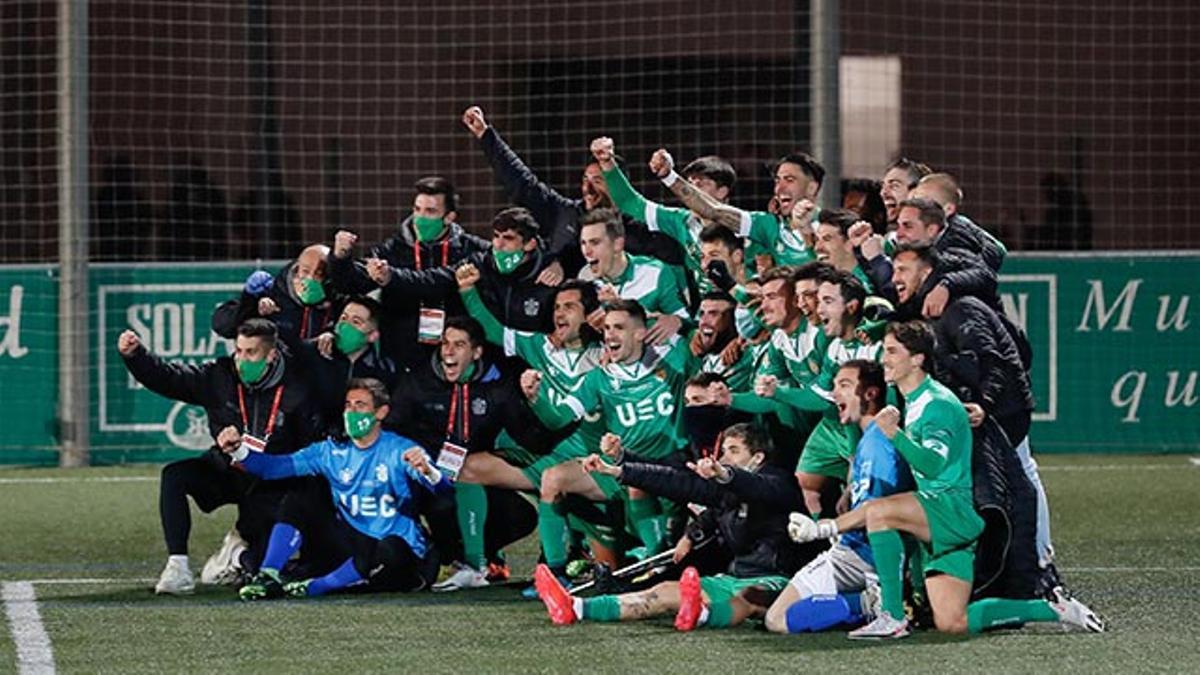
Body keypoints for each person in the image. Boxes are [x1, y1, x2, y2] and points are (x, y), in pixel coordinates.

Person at [533, 423, 813, 631]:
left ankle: (700, 615)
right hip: (734, 577)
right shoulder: (725, 491)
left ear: (758, 458)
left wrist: (726, 474)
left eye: (734, 451)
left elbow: (756, 487)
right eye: (723, 451)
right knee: (664, 591)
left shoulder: (780, 482)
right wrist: (618, 470)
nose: (724, 458)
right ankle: (575, 607)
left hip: (783, 582)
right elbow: (676, 481)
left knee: (748, 598)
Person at [118, 318, 323, 594]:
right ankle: (177, 567)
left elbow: (308, 450)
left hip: (273, 482)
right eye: (238, 351)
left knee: (264, 566)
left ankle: (236, 555)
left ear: (271, 355)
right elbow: (171, 379)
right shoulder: (220, 376)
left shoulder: (298, 388)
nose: (241, 360)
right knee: (175, 475)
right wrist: (136, 356)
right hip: (228, 470)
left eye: (251, 353)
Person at [454, 267, 615, 592]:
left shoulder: (607, 356)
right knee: (468, 468)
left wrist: (612, 312)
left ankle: (574, 555)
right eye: (556, 307)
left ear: (589, 315)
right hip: (546, 457)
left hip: (593, 465)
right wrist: (468, 291)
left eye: (569, 307)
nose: (559, 313)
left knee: (614, 566)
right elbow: (492, 330)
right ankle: (476, 566)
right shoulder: (538, 346)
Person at [227, 379, 449, 600]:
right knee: (302, 494)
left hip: (401, 555)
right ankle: (268, 575)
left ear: (381, 413)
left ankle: (319, 586)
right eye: (348, 405)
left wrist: (430, 471)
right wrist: (238, 450)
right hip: (353, 546)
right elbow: (273, 468)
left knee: (389, 549)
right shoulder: (330, 451)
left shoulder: (400, 450)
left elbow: (444, 493)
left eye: (360, 405)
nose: (351, 412)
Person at [385, 316, 544, 590]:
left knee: (522, 516)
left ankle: (471, 556)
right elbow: (390, 430)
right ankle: (450, 554)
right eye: (445, 343)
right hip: (425, 478)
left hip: (470, 477)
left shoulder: (497, 387)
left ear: (477, 352)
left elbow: (529, 436)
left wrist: (538, 403)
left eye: (459, 345)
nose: (448, 351)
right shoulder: (417, 383)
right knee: (444, 507)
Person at [523, 299, 691, 558]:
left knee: (636, 477)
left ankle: (656, 558)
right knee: (552, 478)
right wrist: (536, 399)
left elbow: (709, 333)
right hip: (620, 467)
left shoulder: (673, 358)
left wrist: (680, 321)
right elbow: (558, 419)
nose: (609, 334)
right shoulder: (598, 378)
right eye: (607, 328)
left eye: (619, 328)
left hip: (673, 466)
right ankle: (555, 573)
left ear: (640, 333)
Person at [764, 359, 912, 634]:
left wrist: (823, 529)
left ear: (870, 393)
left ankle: (867, 604)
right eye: (834, 387)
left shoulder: (877, 444)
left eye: (844, 385)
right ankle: (867, 602)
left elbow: (878, 511)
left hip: (859, 555)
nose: (835, 394)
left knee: (778, 619)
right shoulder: (871, 438)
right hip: (861, 551)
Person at [462, 105, 687, 280]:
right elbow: (522, 183)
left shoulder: (643, 226)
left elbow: (674, 267)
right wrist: (485, 135)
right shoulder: (565, 213)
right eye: (584, 180)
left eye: (598, 181)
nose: (588, 189)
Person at [326, 176, 489, 364]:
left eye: (430, 211)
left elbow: (435, 282)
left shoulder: (473, 250)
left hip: (455, 357)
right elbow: (350, 284)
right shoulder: (391, 250)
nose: (420, 218)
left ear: (449, 217)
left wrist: (391, 277)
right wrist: (340, 257)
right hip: (402, 358)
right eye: (417, 209)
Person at [371, 206, 560, 336]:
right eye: (495, 236)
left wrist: (556, 262)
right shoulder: (479, 264)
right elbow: (432, 279)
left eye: (508, 238)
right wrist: (392, 276)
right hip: (490, 363)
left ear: (529, 244)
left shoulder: (549, 275)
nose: (498, 245)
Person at [647, 148, 825, 272]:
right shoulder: (768, 224)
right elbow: (714, 210)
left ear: (811, 188)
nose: (779, 188)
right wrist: (668, 176)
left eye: (789, 179)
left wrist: (807, 232)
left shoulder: (832, 226)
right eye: (778, 181)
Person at [284, 296, 398, 435]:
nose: (345, 326)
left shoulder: (383, 371)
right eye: (343, 318)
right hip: (310, 441)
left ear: (372, 336)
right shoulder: (314, 352)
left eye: (356, 322)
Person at [577, 207, 690, 328]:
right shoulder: (585, 278)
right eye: (583, 243)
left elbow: (684, 322)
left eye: (594, 242)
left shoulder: (655, 273)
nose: (586, 251)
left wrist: (621, 308)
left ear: (617, 245)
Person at [212, 244, 339, 342]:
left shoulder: (339, 303)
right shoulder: (273, 294)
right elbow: (223, 326)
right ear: (296, 272)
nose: (310, 279)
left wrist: (332, 335)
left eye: (319, 274)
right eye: (305, 272)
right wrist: (250, 303)